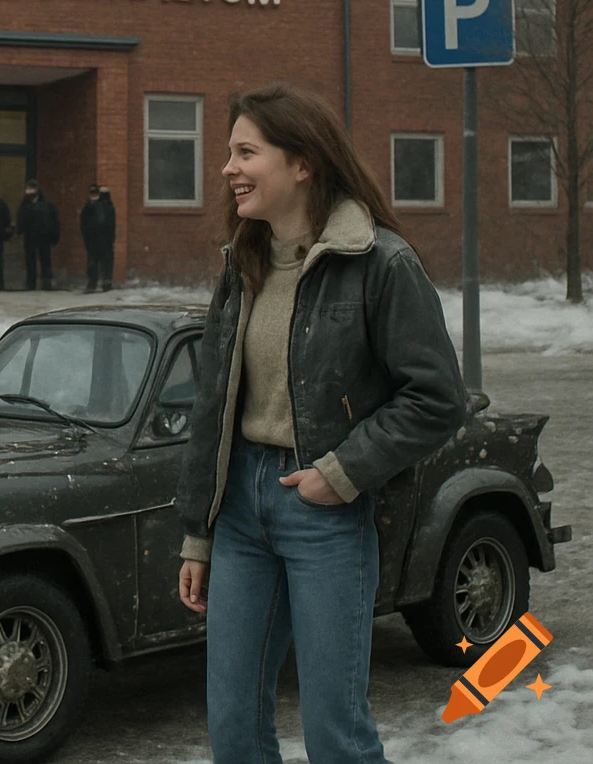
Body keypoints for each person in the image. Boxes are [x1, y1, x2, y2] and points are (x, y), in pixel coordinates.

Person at [175, 82, 465, 764]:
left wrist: (343, 473)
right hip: (240, 513)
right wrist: (198, 532)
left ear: (302, 163)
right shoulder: (241, 260)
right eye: (227, 153)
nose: (228, 169)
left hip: (325, 511)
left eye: (246, 152)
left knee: (337, 735)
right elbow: (212, 405)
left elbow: (436, 398)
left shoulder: (379, 262)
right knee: (235, 732)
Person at [16, 178, 60, 291]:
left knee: (45, 259)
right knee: (30, 260)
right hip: (30, 235)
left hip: (43, 236)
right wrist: (20, 229)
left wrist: (54, 236)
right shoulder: (25, 204)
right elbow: (21, 218)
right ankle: (31, 282)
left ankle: (46, 281)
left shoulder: (46, 205)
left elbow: (53, 221)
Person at [80, 184, 116, 293]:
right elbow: (84, 223)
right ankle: (96, 283)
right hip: (94, 239)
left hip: (102, 239)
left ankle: (103, 283)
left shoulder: (105, 206)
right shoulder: (89, 206)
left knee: (102, 261)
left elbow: (109, 224)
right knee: (94, 262)